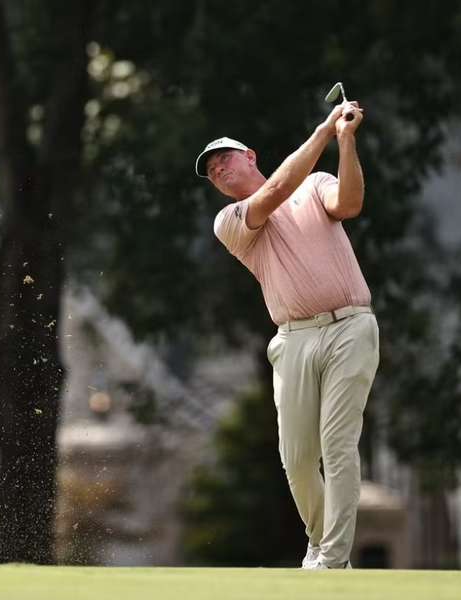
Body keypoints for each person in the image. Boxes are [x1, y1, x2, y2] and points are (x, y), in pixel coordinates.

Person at [196, 100, 379, 569]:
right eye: (212, 171)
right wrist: (324, 130)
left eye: (225, 159)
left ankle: (333, 559)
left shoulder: (317, 184)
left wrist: (345, 141)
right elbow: (277, 189)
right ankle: (321, 543)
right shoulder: (231, 222)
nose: (218, 170)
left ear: (250, 155)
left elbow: (351, 203)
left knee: (337, 445)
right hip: (294, 338)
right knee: (297, 459)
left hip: (351, 327)